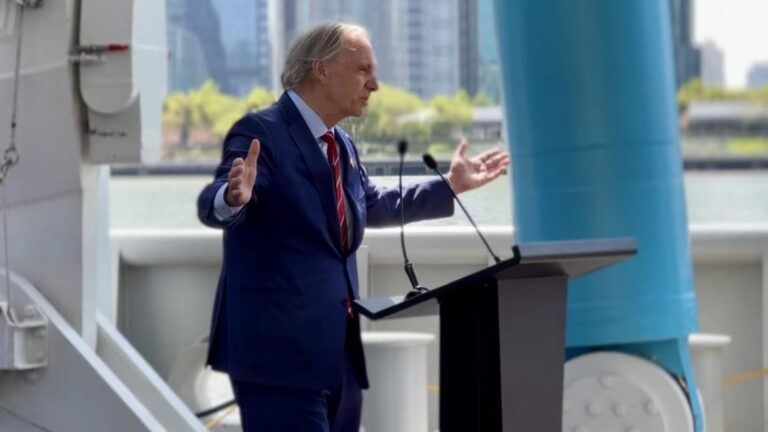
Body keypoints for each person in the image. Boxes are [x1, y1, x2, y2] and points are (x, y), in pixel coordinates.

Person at [197, 22, 510, 432]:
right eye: (363, 70)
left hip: (338, 359)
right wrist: (232, 196)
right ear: (321, 70)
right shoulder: (261, 132)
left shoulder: (342, 144)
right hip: (279, 358)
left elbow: (372, 204)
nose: (374, 85)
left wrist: (450, 185)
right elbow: (219, 198)